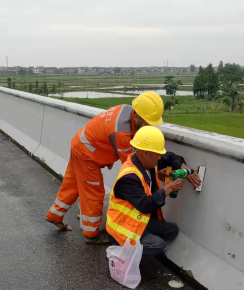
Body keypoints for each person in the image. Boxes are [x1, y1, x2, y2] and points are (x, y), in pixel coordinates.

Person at [46, 92, 166, 244]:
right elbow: (133, 164)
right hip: (87, 153)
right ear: (137, 116)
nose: (149, 127)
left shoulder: (126, 110)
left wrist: (108, 157)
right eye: (148, 123)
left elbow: (107, 135)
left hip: (80, 144)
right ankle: (91, 234)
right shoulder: (122, 132)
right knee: (93, 192)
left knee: (72, 185)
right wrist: (155, 174)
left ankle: (54, 215)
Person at [106, 126, 201, 257]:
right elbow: (145, 205)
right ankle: (121, 256)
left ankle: (140, 244)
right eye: (158, 154)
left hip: (138, 221)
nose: (160, 157)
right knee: (157, 245)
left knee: (172, 230)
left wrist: (185, 169)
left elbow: (170, 157)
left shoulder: (146, 161)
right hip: (122, 229)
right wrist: (169, 188)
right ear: (146, 153)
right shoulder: (129, 177)